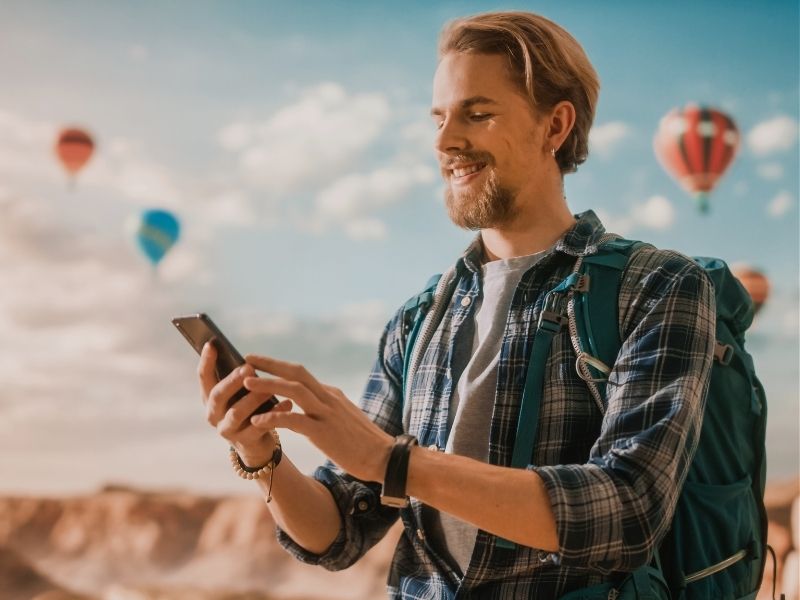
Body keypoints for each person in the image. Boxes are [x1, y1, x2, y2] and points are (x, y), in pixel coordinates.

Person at [198, 10, 716, 598]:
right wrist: (260, 452)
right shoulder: (418, 320)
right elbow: (338, 532)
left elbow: (628, 512)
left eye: (478, 113)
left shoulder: (657, 287)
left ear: (555, 127)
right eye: (440, 117)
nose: (445, 142)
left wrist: (396, 463)